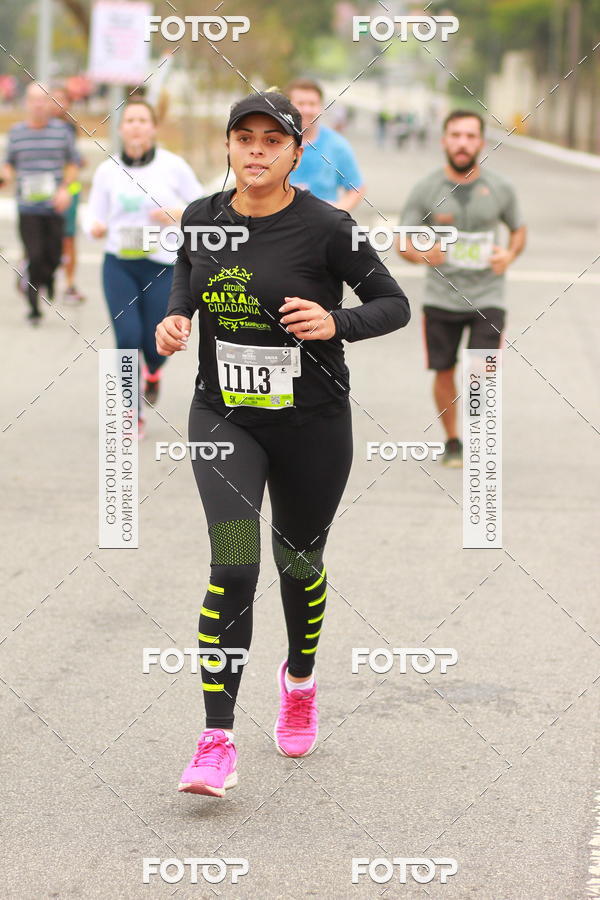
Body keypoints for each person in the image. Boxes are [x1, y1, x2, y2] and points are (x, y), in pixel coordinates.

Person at [156, 89, 410, 798]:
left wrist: (336, 323)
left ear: (297, 152)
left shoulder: (330, 227)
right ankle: (216, 740)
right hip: (224, 417)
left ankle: (298, 680)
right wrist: (176, 320)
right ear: (229, 147)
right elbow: (188, 275)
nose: (258, 151)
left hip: (313, 423)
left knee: (299, 562)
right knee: (233, 563)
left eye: (274, 140)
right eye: (246, 138)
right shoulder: (203, 217)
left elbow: (394, 303)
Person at [397, 109, 526, 467]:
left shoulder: (501, 188)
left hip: (488, 296)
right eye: (455, 135)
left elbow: (518, 229)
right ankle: (453, 440)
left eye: (470, 136)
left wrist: (509, 254)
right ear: (444, 141)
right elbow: (402, 241)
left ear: (481, 143)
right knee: (443, 370)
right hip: (441, 298)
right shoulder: (427, 188)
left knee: (481, 368)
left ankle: (478, 433)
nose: (462, 143)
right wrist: (422, 253)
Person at [86, 99, 204, 434]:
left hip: (162, 265)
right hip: (119, 264)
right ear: (122, 129)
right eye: (130, 120)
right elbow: (93, 214)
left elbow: (201, 206)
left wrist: (175, 213)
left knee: (155, 345)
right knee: (126, 337)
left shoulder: (172, 165)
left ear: (153, 128)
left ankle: (153, 371)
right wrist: (94, 227)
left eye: (143, 120)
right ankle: (130, 411)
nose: (136, 126)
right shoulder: (107, 170)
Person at [1, 83, 79, 324]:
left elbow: (73, 163)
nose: (37, 104)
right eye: (33, 99)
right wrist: (5, 176)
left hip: (54, 206)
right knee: (35, 254)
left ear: (49, 104)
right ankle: (33, 307)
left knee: (55, 256)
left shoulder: (62, 132)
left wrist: (66, 189)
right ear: (26, 103)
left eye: (42, 99)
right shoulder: (16, 133)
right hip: (28, 208)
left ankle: (48, 277)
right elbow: (9, 164)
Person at [286, 78, 365, 211]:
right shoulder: (273, 144)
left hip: (323, 228)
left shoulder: (337, 145)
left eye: (312, 104)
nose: (306, 110)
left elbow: (357, 189)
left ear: (321, 107)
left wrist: (336, 213)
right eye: (300, 103)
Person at [50, 83, 85, 304]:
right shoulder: (37, 126)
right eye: (53, 99)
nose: (57, 104)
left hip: (69, 187)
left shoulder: (70, 128)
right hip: (44, 189)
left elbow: (74, 159)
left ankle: (69, 283)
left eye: (62, 99)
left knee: (68, 238)